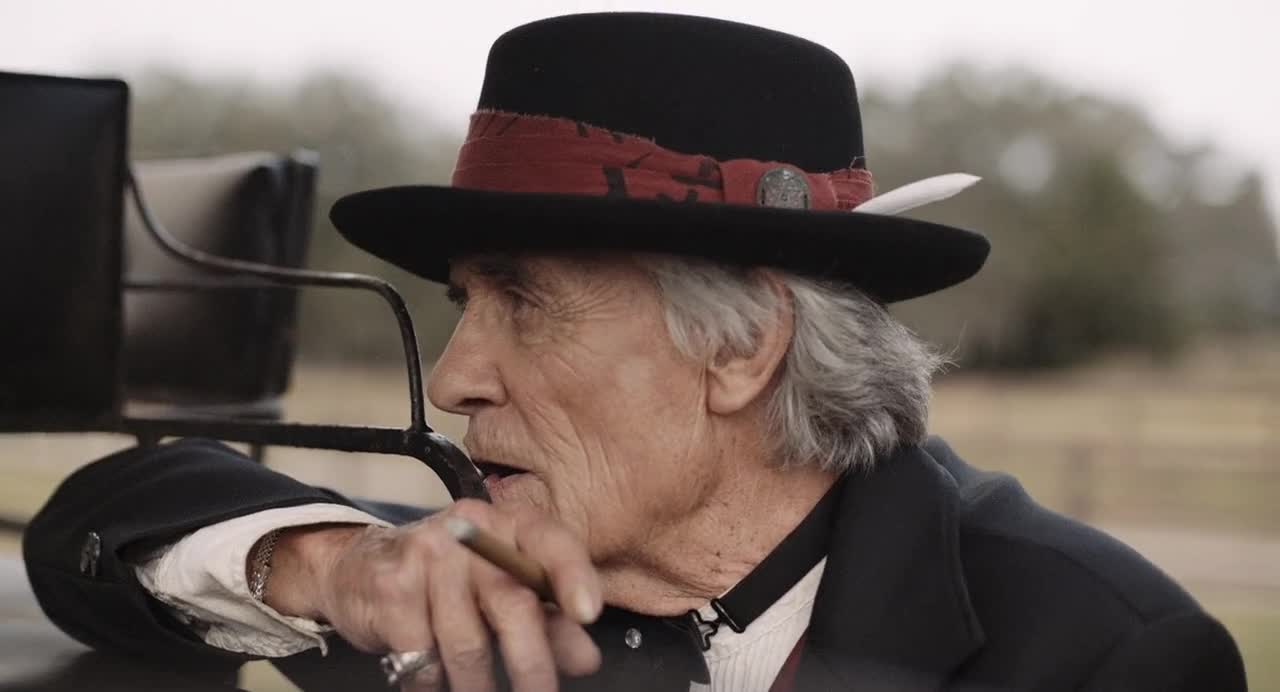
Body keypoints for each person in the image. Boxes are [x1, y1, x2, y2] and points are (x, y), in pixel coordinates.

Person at [24, 12, 1246, 692]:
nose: (452, 376)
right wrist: (327, 563)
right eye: (462, 302)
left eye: (524, 301)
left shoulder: (1101, 652)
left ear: (743, 346)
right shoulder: (467, 579)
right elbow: (98, 524)